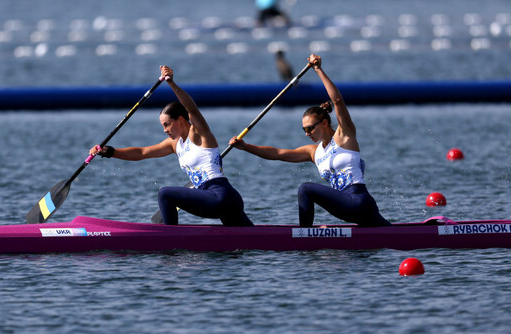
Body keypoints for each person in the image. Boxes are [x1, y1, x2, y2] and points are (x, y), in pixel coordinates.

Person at [229, 54, 391, 227]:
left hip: (358, 200)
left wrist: (317, 69)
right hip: (350, 207)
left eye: (310, 128)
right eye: (304, 130)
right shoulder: (313, 152)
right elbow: (277, 153)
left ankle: (304, 235)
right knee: (391, 236)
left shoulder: (345, 136)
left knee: (306, 189)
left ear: (324, 123)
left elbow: (337, 101)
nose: (307, 133)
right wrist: (246, 147)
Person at [90, 66, 253, 227]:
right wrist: (109, 151)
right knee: (248, 241)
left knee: (165, 193)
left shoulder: (198, 134)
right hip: (223, 200)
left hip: (220, 196)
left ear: (181, 119)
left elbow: (192, 109)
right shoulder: (174, 144)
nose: (164, 130)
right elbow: (142, 152)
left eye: (167, 124)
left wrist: (171, 83)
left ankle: (169, 242)